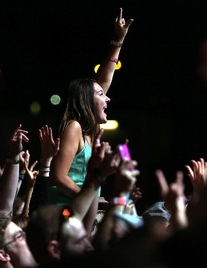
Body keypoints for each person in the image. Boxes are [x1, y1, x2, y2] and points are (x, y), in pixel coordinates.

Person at [49, 8, 134, 213]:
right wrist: (90, 199)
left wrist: (118, 41)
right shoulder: (74, 127)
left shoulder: (90, 129)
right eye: (101, 95)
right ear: (87, 101)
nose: (108, 97)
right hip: (65, 212)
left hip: (84, 209)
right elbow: (59, 177)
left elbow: (105, 79)